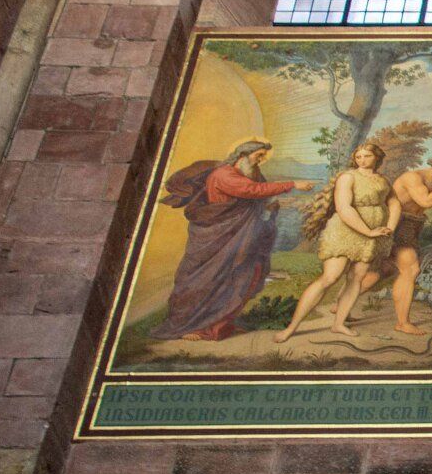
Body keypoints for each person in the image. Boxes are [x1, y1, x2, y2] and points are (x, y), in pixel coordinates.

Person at [152, 139, 316, 341]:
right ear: (243, 155)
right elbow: (251, 191)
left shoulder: (249, 174)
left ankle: (220, 324)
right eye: (258, 156)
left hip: (238, 236)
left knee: (244, 275)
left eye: (263, 156)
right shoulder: (224, 174)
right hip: (217, 236)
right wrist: (292, 184)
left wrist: (276, 202)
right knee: (210, 279)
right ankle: (192, 326)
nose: (261, 160)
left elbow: (257, 195)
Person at [275, 143, 399, 342]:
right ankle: (291, 328)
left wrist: (389, 228)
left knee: (357, 277)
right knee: (329, 278)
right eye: (358, 157)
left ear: (377, 157)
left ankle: (338, 324)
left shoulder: (382, 180)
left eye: (367, 156)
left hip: (374, 233)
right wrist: (368, 231)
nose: (362, 160)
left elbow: (394, 203)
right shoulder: (348, 177)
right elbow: (343, 207)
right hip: (345, 231)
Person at [357, 158, 432, 335]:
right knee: (410, 269)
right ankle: (403, 323)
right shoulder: (413, 177)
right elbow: (426, 202)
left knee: (381, 271)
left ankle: (341, 303)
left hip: (412, 225)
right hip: (396, 222)